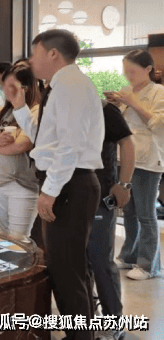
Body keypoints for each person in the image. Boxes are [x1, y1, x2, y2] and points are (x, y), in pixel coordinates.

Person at [6, 29, 104, 340]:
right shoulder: (61, 85)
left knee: (67, 273)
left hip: (69, 184)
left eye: (34, 53)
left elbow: (69, 145)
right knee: (67, 268)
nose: (30, 61)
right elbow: (47, 139)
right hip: (66, 182)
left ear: (52, 53)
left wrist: (50, 191)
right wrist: (19, 107)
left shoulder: (71, 85)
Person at [107, 49, 164, 281]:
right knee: (128, 210)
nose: (128, 76)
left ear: (148, 69)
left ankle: (149, 265)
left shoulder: (159, 92)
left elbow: (158, 124)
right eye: (126, 72)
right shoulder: (126, 91)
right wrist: (117, 105)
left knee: (145, 213)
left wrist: (133, 103)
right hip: (126, 158)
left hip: (149, 160)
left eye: (132, 71)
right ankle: (130, 255)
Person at [87, 99, 134, 340]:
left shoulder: (104, 109)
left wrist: (124, 184)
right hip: (71, 193)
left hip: (102, 191)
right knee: (78, 263)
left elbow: (127, 142)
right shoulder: (62, 106)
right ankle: (86, 318)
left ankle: (113, 322)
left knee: (101, 260)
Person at [0, 64, 40, 239]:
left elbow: (21, 145)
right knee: (5, 236)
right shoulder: (0, 111)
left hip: (21, 183)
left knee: (18, 238)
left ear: (26, 88)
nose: (6, 90)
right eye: (4, 85)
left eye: (12, 86)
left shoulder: (35, 111)